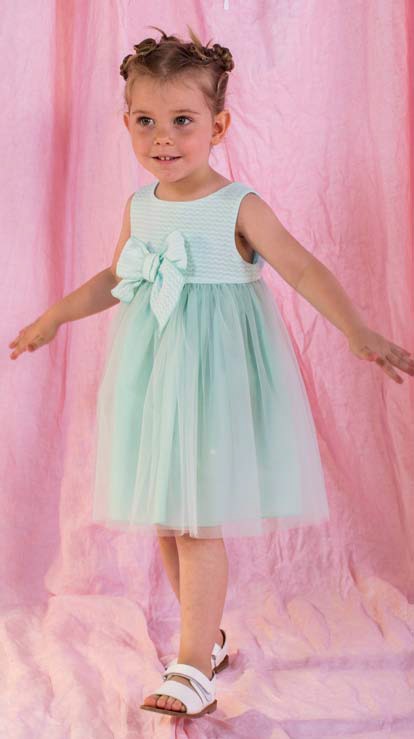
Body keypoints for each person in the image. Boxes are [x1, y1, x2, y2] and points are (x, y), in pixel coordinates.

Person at [8, 25, 414, 720]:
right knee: (169, 521)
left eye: (182, 121)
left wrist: (356, 329)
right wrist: (55, 316)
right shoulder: (141, 207)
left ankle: (193, 663)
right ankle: (210, 638)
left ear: (217, 127)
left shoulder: (237, 205)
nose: (162, 138)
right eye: (145, 120)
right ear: (126, 122)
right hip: (155, 383)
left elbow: (302, 267)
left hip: (214, 387)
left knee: (197, 525)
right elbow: (117, 278)